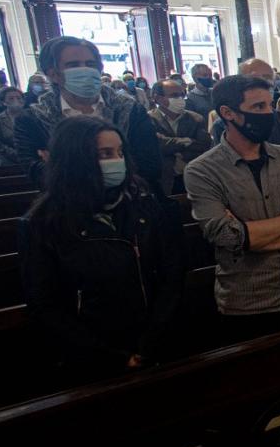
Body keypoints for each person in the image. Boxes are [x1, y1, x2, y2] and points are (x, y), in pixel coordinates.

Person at [19, 115, 184, 375]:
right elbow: (44, 304)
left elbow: (171, 271)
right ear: (76, 159)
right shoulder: (43, 222)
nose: (116, 161)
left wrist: (152, 338)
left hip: (155, 342)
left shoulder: (142, 203)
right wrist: (111, 355)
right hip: (95, 356)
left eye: (119, 152)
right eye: (105, 154)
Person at [184, 74, 280, 335]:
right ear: (228, 113)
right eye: (258, 107)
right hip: (248, 303)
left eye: (269, 105)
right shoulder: (202, 171)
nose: (270, 113)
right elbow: (228, 237)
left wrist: (252, 236)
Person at [14, 36, 161, 189]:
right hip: (68, 205)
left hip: (130, 198)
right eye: (73, 65)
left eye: (91, 64)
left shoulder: (131, 109)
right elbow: (37, 173)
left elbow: (149, 165)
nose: (85, 70)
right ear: (53, 74)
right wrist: (113, 168)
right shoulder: (32, 119)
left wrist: (65, 165)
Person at [211, 59, 280, 152]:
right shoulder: (223, 125)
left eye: (268, 78)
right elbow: (225, 163)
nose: (264, 83)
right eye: (255, 79)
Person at [149, 77, 209, 195]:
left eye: (182, 95)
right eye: (174, 95)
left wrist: (173, 147)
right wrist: (187, 141)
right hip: (165, 179)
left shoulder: (195, 119)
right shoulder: (148, 120)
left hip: (195, 176)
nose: (180, 99)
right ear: (158, 98)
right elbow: (158, 146)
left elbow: (204, 146)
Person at [0, 86, 24, 165]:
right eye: (11, 98)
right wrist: (19, 156)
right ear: (4, 102)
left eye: (18, 97)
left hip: (33, 160)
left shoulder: (33, 116)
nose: (16, 100)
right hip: (8, 162)